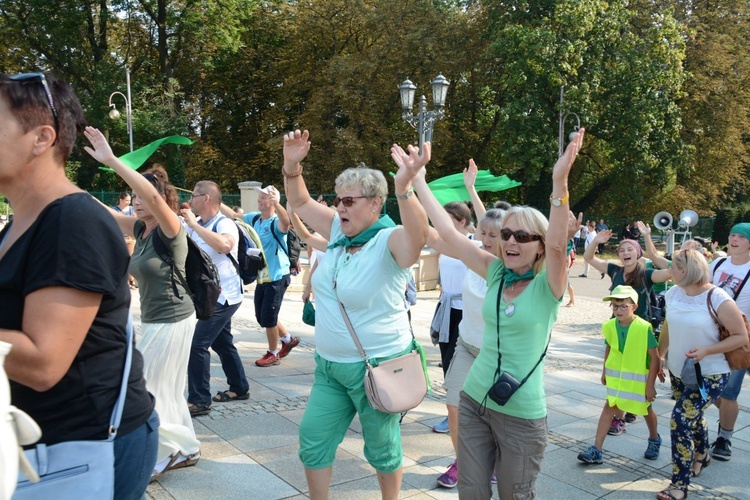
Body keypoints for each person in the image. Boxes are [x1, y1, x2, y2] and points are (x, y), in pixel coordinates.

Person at [0, 72, 157, 497]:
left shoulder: (72, 222)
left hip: (80, 448)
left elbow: (43, 362)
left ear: (40, 138)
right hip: (40, 444)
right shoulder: (20, 224)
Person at [415, 129, 585, 498]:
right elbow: (447, 229)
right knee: (471, 492)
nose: (510, 242)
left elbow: (559, 244)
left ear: (539, 248)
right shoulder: (494, 270)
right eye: (507, 234)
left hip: (521, 413)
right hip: (474, 401)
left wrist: (560, 180)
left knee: (514, 494)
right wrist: (416, 180)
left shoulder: (548, 286)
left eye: (523, 237)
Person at [282, 129, 430, 500]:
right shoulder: (336, 230)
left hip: (377, 368)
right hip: (330, 367)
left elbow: (418, 234)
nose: (340, 207)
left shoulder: (388, 239)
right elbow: (298, 201)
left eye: (349, 201)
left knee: (381, 450)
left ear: (375, 204)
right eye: (337, 200)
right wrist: (291, 165)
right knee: (313, 440)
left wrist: (405, 188)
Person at [84, 129, 202, 480]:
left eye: (141, 196)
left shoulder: (171, 226)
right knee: (167, 386)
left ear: (159, 198)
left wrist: (112, 161)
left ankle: (162, 453)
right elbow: (104, 211)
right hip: (156, 319)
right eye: (132, 196)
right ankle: (189, 448)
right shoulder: (141, 229)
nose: (136, 201)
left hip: (173, 318)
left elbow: (152, 197)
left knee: (148, 387)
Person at [656, 249, 747, 500]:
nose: (669, 272)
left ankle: (679, 485)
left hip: (710, 374)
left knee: (680, 420)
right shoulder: (674, 292)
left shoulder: (718, 298)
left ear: (684, 271)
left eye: (672, 267)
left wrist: (708, 350)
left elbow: (741, 336)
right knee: (692, 416)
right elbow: (668, 327)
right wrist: (660, 356)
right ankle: (701, 455)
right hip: (679, 371)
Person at [182, 181, 249, 417]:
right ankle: (239, 387)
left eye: (194, 196)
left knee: (197, 344)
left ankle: (200, 399)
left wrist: (193, 225)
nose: (191, 200)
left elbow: (224, 245)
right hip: (208, 296)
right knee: (222, 343)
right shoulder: (196, 224)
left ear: (207, 198)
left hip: (225, 296)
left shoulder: (224, 223)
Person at [577, 285, 660, 465]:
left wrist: (650, 385)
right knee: (609, 408)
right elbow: (609, 348)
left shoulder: (643, 327)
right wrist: (604, 371)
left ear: (634, 307)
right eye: (615, 306)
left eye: (623, 306)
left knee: (645, 410)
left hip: (638, 379)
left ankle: (654, 439)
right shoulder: (609, 326)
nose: (618, 310)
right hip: (617, 378)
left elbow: (655, 357)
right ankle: (596, 450)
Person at [221, 186, 299, 367]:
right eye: (260, 197)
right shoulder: (255, 218)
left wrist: (279, 204)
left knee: (269, 318)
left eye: (263, 197)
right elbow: (234, 216)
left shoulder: (275, 222)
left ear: (272, 201)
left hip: (277, 277)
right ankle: (288, 339)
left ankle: (273, 354)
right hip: (263, 277)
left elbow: (286, 222)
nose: (259, 200)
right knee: (262, 316)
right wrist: (217, 203)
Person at [708, 223, 750, 461]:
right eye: (732, 235)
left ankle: (725, 438)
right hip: (711, 333)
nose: (734, 239)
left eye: (740, 237)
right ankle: (725, 415)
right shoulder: (718, 263)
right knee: (709, 388)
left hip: (738, 338)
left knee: (730, 393)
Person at [430, 200, 472, 434]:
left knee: (458, 364)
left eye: (449, 219)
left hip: (464, 312)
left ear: (462, 221)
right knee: (447, 362)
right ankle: (453, 412)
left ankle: (458, 414)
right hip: (446, 308)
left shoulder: (470, 245)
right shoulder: (444, 244)